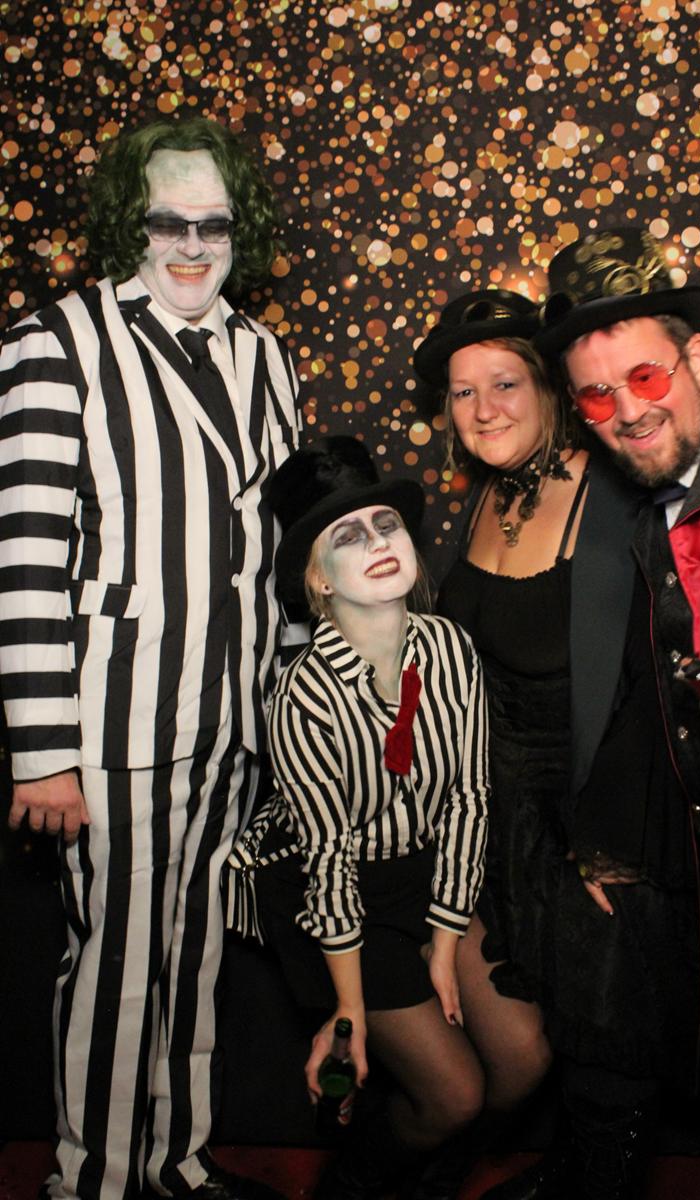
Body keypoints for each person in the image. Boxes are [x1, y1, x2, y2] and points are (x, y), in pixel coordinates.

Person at [0, 117, 300, 1200]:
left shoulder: (265, 355)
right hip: (115, 721)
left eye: (213, 224)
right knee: (120, 966)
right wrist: (43, 753)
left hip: (235, 718)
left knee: (195, 958)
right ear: (129, 223)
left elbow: (284, 547)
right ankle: (94, 1181)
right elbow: (25, 556)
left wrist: (292, 707)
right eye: (167, 222)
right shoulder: (56, 341)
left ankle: (175, 1162)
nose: (190, 246)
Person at [413, 290, 700, 1200]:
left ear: (548, 388)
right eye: (463, 393)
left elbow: (654, 678)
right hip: (498, 822)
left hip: (595, 816)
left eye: (504, 383)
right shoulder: (486, 497)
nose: (483, 409)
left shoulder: (614, 495)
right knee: (545, 1047)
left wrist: (613, 838)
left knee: (608, 1054)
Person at [539, 226, 700, 1200]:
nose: (627, 413)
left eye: (645, 377)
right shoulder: (645, 491)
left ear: (698, 356)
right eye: (596, 397)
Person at [243, 435, 489, 1199]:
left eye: (387, 525)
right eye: (348, 536)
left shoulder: (450, 649)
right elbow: (330, 858)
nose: (378, 543)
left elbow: (468, 800)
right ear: (319, 578)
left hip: (429, 872)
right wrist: (348, 1009)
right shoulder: (304, 695)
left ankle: (433, 1170)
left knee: (525, 1058)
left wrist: (445, 940)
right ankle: (352, 1183)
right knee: (456, 1095)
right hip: (336, 891)